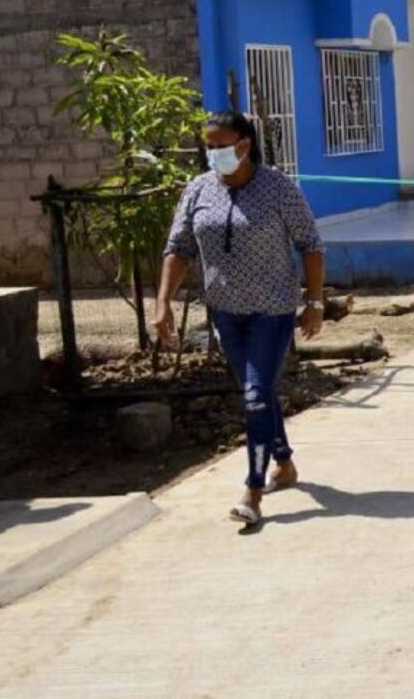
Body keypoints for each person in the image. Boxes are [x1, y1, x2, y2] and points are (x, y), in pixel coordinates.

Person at [156, 111, 325, 526]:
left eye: (220, 146)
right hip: (225, 312)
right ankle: (283, 463)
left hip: (272, 310)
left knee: (253, 395)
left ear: (244, 146)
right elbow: (178, 248)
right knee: (259, 392)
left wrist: (315, 300)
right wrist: (162, 303)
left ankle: (253, 490)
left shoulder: (278, 189)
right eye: (208, 147)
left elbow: (310, 244)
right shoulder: (197, 190)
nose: (213, 154)